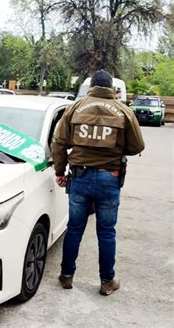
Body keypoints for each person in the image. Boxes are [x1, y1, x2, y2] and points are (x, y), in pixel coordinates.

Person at [51, 70, 145, 296]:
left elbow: (59, 142)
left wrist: (60, 170)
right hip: (109, 178)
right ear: (111, 88)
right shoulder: (124, 111)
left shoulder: (74, 107)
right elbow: (137, 146)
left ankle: (66, 276)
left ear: (91, 86)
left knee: (74, 229)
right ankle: (107, 282)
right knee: (106, 232)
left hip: (79, 177)